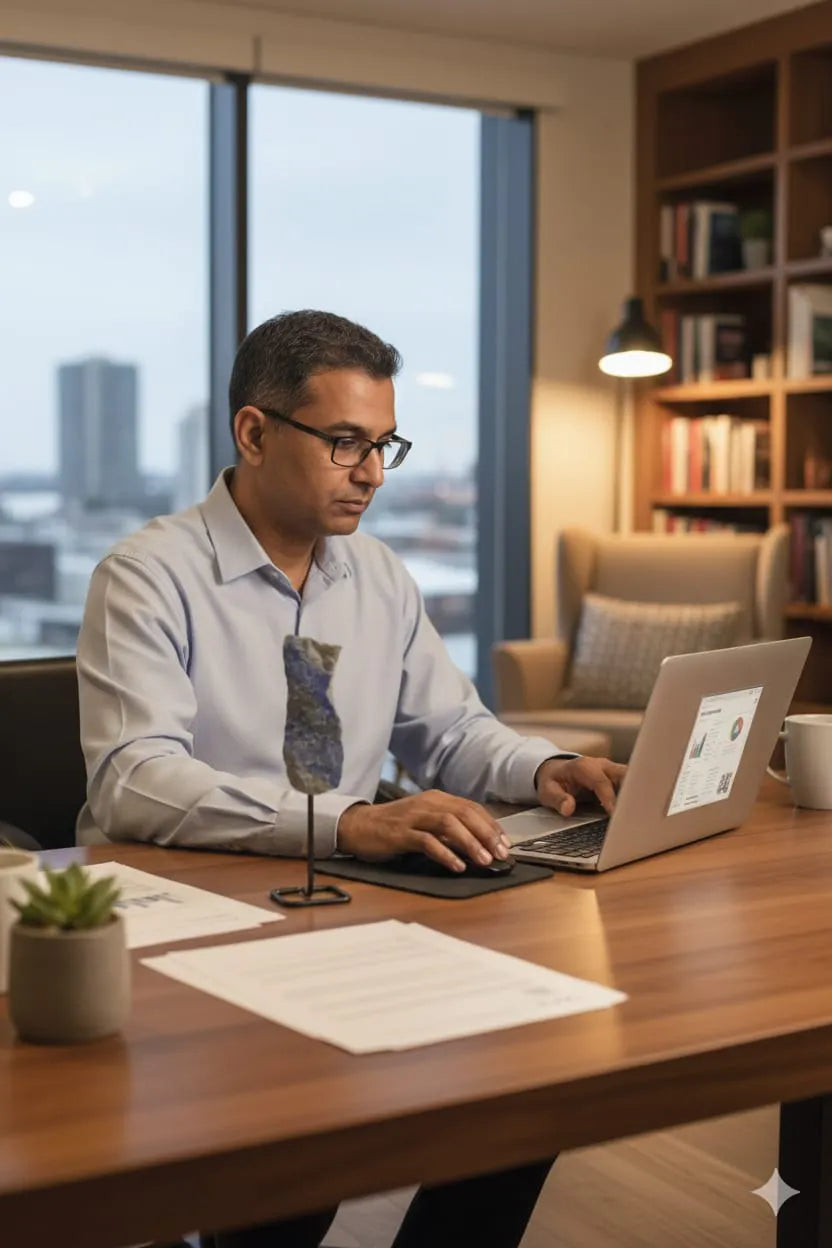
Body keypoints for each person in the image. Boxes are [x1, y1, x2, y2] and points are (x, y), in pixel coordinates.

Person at [77, 310, 626, 1248]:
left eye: (383, 445)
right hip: (189, 928)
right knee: (293, 1177)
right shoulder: (148, 576)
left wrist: (548, 766)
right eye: (345, 444)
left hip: (339, 908)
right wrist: (347, 821)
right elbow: (135, 778)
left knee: (529, 1096)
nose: (372, 473)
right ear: (254, 433)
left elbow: (450, 732)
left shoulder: (378, 577)